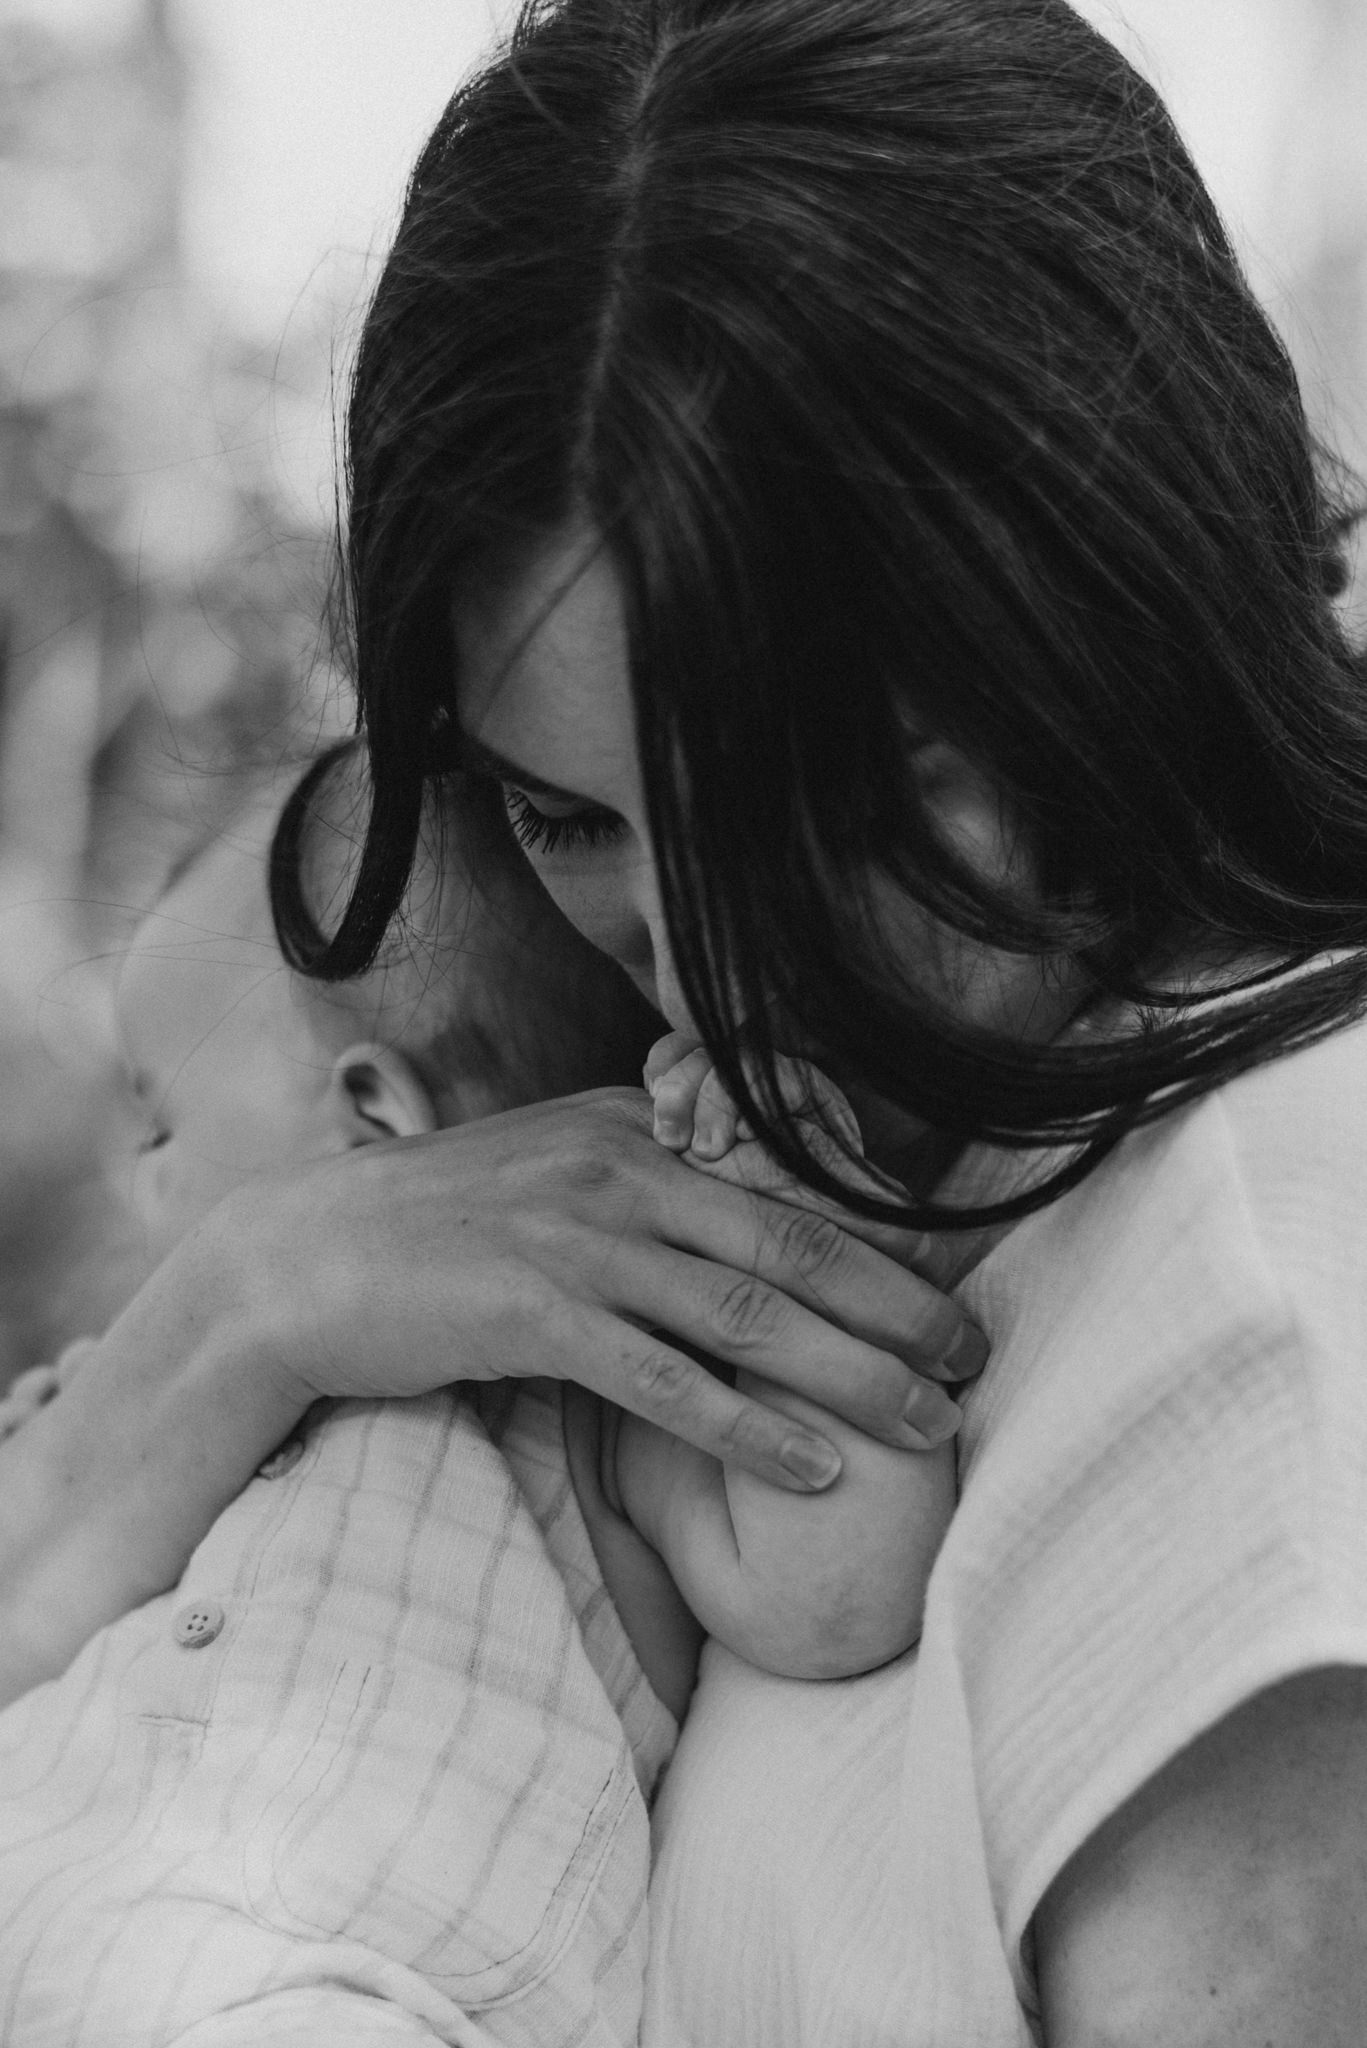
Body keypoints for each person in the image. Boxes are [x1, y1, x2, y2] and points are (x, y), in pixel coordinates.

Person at [7, 0, 1367, 2038]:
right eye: (563, 817)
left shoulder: (1262, 1335)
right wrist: (254, 1301)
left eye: (810, 813)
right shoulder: (646, 1214)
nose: (709, 975)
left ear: (1109, 604)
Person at [0, 742, 952, 2044]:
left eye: (160, 1124)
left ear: (374, 1120)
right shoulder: (140, 1396)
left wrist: (792, 1191)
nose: (136, 1181)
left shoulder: (593, 1405)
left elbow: (840, 1591)